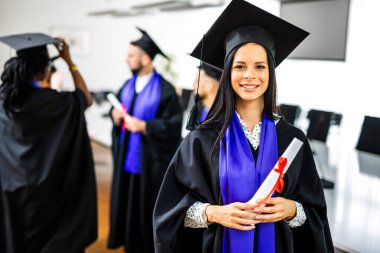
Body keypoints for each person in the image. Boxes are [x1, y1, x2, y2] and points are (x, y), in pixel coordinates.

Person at [153, 1, 334, 253]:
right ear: (227, 72)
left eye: (260, 66)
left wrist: (292, 209)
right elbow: (169, 211)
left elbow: (315, 212)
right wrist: (213, 213)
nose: (250, 75)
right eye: (240, 66)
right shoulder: (201, 139)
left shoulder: (293, 139)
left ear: (270, 73)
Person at [0, 33, 97, 253]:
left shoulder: (4, 101)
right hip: (48, 194)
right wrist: (69, 61)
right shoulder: (56, 102)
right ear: (45, 70)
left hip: (10, 190)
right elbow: (85, 98)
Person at [108, 27, 183, 253]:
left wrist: (145, 126)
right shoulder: (127, 85)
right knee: (125, 204)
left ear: (145, 58)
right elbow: (120, 114)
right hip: (126, 161)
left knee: (143, 208)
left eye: (131, 55)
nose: (126, 59)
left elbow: (173, 126)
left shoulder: (165, 90)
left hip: (149, 164)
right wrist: (116, 118)